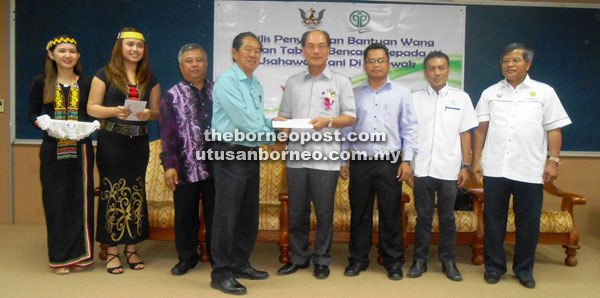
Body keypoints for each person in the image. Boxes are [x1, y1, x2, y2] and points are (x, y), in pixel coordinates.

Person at [472, 43, 571, 289]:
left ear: (528, 64)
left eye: (515, 60)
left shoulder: (545, 92)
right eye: (505, 60)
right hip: (495, 168)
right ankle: (494, 267)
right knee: (494, 221)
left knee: (528, 223)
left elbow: (554, 129)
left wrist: (554, 160)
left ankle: (524, 270)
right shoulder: (490, 93)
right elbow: (480, 130)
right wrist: (475, 160)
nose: (509, 65)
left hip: (530, 169)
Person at [277, 29, 356, 280]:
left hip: (326, 159)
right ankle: (299, 257)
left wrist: (330, 122)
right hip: (297, 159)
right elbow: (285, 117)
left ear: (329, 50)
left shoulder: (341, 82)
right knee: (298, 211)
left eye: (321, 46)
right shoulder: (292, 82)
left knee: (324, 213)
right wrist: (279, 136)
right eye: (310, 46)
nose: (316, 50)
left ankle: (322, 259)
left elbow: (351, 116)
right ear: (302, 50)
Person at [340, 43, 417, 280]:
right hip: (361, 162)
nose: (376, 65)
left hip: (390, 162)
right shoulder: (354, 93)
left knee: (391, 212)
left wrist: (408, 161)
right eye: (371, 61)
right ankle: (358, 259)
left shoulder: (402, 92)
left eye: (381, 60)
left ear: (388, 64)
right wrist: (343, 158)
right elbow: (347, 129)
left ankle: (393, 261)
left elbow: (410, 128)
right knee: (360, 212)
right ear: (364, 65)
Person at [87, 28, 161, 274]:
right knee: (112, 193)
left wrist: (150, 114)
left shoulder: (150, 78)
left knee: (136, 192)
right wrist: (113, 111)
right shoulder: (104, 74)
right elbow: (92, 109)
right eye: (129, 45)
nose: (135, 50)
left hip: (138, 144)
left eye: (139, 46)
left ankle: (132, 247)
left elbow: (157, 112)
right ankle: (111, 251)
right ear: (120, 47)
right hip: (112, 143)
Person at [209, 32, 276, 296]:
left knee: (247, 213)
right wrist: (274, 138)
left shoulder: (254, 83)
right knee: (227, 215)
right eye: (248, 49)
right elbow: (246, 124)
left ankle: (240, 263)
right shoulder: (227, 82)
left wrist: (278, 124)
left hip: (249, 152)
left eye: (257, 50)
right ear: (234, 53)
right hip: (229, 152)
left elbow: (258, 119)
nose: (253, 54)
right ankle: (222, 273)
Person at [407, 50, 478, 281]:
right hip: (422, 169)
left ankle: (449, 261)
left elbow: (465, 134)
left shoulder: (462, 98)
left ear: (448, 70)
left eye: (441, 68)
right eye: (432, 68)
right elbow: (409, 134)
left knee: (447, 217)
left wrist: (465, 166)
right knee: (423, 216)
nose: (436, 72)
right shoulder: (414, 98)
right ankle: (420, 260)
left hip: (449, 170)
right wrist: (407, 162)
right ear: (425, 72)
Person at [28, 35, 95, 275]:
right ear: (51, 55)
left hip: (81, 150)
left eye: (72, 51)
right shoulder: (41, 83)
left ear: (77, 56)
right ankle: (60, 258)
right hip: (52, 150)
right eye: (62, 51)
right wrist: (44, 123)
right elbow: (32, 114)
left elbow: (91, 112)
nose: (68, 55)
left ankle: (81, 255)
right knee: (56, 201)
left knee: (80, 200)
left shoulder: (86, 84)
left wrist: (90, 125)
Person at [159, 43, 215, 276]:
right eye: (189, 61)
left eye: (199, 60)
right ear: (181, 66)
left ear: (206, 63)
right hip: (185, 164)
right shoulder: (172, 95)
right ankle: (186, 257)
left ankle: (216, 255)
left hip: (216, 163)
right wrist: (169, 166)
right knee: (185, 213)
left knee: (215, 211)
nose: (194, 65)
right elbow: (167, 133)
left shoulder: (219, 91)